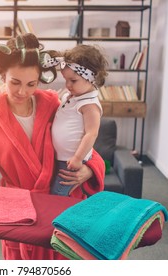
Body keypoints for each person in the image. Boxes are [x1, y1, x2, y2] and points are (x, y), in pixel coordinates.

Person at [0, 33, 105, 260]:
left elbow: (81, 143)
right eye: (15, 82)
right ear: (3, 76)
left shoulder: (53, 105)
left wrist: (90, 168)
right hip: (17, 210)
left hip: (59, 206)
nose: (23, 92)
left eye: (31, 84)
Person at [48, 44, 108, 196]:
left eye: (73, 81)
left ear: (91, 77)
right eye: (66, 80)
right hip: (60, 158)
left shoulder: (89, 104)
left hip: (71, 160)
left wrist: (78, 158)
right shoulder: (72, 96)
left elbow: (91, 134)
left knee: (58, 195)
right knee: (55, 192)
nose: (68, 85)